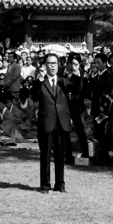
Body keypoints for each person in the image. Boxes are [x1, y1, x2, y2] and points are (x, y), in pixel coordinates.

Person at [31, 53, 80, 193]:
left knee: (60, 155)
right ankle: (45, 185)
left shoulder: (64, 82)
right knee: (45, 155)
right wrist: (39, 80)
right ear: (45, 65)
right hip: (46, 122)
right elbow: (34, 95)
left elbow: (77, 90)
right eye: (49, 63)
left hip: (62, 122)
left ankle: (60, 184)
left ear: (58, 65)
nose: (52, 66)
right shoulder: (41, 82)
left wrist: (77, 75)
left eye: (54, 63)